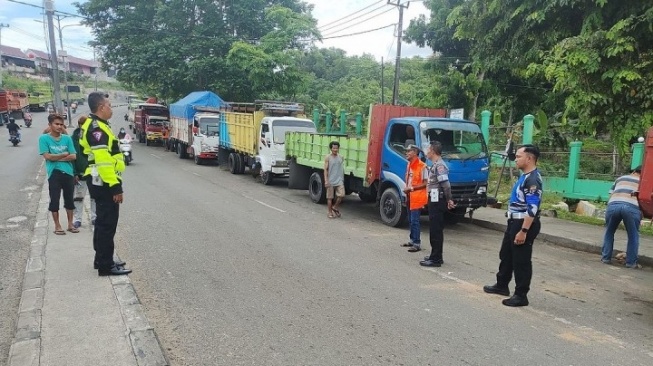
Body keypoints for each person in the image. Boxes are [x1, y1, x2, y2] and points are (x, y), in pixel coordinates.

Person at [483, 144, 542, 307]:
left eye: (518, 156)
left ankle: (521, 295)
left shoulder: (533, 180)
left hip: (523, 223)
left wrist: (523, 230)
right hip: (513, 221)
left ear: (529, 158)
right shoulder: (524, 176)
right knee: (506, 255)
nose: (515, 159)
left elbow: (533, 208)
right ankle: (501, 285)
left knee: (521, 260)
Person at [80, 92, 131, 276]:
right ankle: (105, 266)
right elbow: (103, 161)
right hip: (103, 182)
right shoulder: (97, 129)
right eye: (109, 105)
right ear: (101, 107)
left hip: (100, 180)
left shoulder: (98, 125)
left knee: (103, 222)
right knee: (107, 224)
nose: (111, 108)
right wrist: (115, 187)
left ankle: (102, 259)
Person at [38, 114, 78, 235]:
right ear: (50, 125)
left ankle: (70, 224)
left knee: (69, 199)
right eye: (56, 124)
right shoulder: (43, 139)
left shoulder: (67, 139)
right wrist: (64, 154)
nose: (59, 126)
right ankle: (57, 225)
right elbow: (47, 156)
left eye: (61, 124)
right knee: (54, 200)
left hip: (68, 173)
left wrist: (56, 158)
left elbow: (74, 156)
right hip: (54, 174)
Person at [420, 142, 455, 266]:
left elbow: (446, 185)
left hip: (438, 201)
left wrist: (449, 199)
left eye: (428, 149)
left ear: (433, 151)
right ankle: (435, 255)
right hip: (434, 200)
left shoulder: (440, 166)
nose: (426, 151)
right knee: (434, 229)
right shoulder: (435, 165)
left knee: (436, 230)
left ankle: (436, 259)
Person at [601, 166, 642, 268]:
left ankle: (606, 258)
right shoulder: (644, 183)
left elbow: (611, 194)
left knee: (609, 232)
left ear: (633, 171)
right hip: (631, 207)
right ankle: (631, 263)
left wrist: (611, 206)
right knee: (633, 235)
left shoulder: (620, 178)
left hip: (614, 204)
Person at [401, 145, 428, 252]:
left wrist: (411, 188)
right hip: (410, 196)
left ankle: (417, 243)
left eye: (408, 151)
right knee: (411, 220)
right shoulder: (409, 165)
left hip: (417, 197)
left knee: (415, 220)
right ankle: (412, 240)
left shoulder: (423, 166)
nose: (406, 153)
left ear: (415, 152)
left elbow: (426, 183)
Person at [72, 115, 96, 229]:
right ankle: (77, 219)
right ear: (79, 125)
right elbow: (72, 157)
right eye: (83, 125)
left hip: (94, 173)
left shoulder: (95, 137)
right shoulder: (74, 138)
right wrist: (74, 173)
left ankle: (94, 217)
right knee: (78, 197)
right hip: (80, 173)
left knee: (94, 196)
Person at [324, 141, 345, 218]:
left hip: (339, 180)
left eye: (336, 148)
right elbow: (325, 169)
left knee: (341, 195)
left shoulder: (341, 157)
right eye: (334, 148)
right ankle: (330, 212)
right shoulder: (328, 157)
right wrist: (326, 180)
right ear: (331, 148)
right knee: (330, 197)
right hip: (330, 180)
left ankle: (335, 207)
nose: (335, 149)